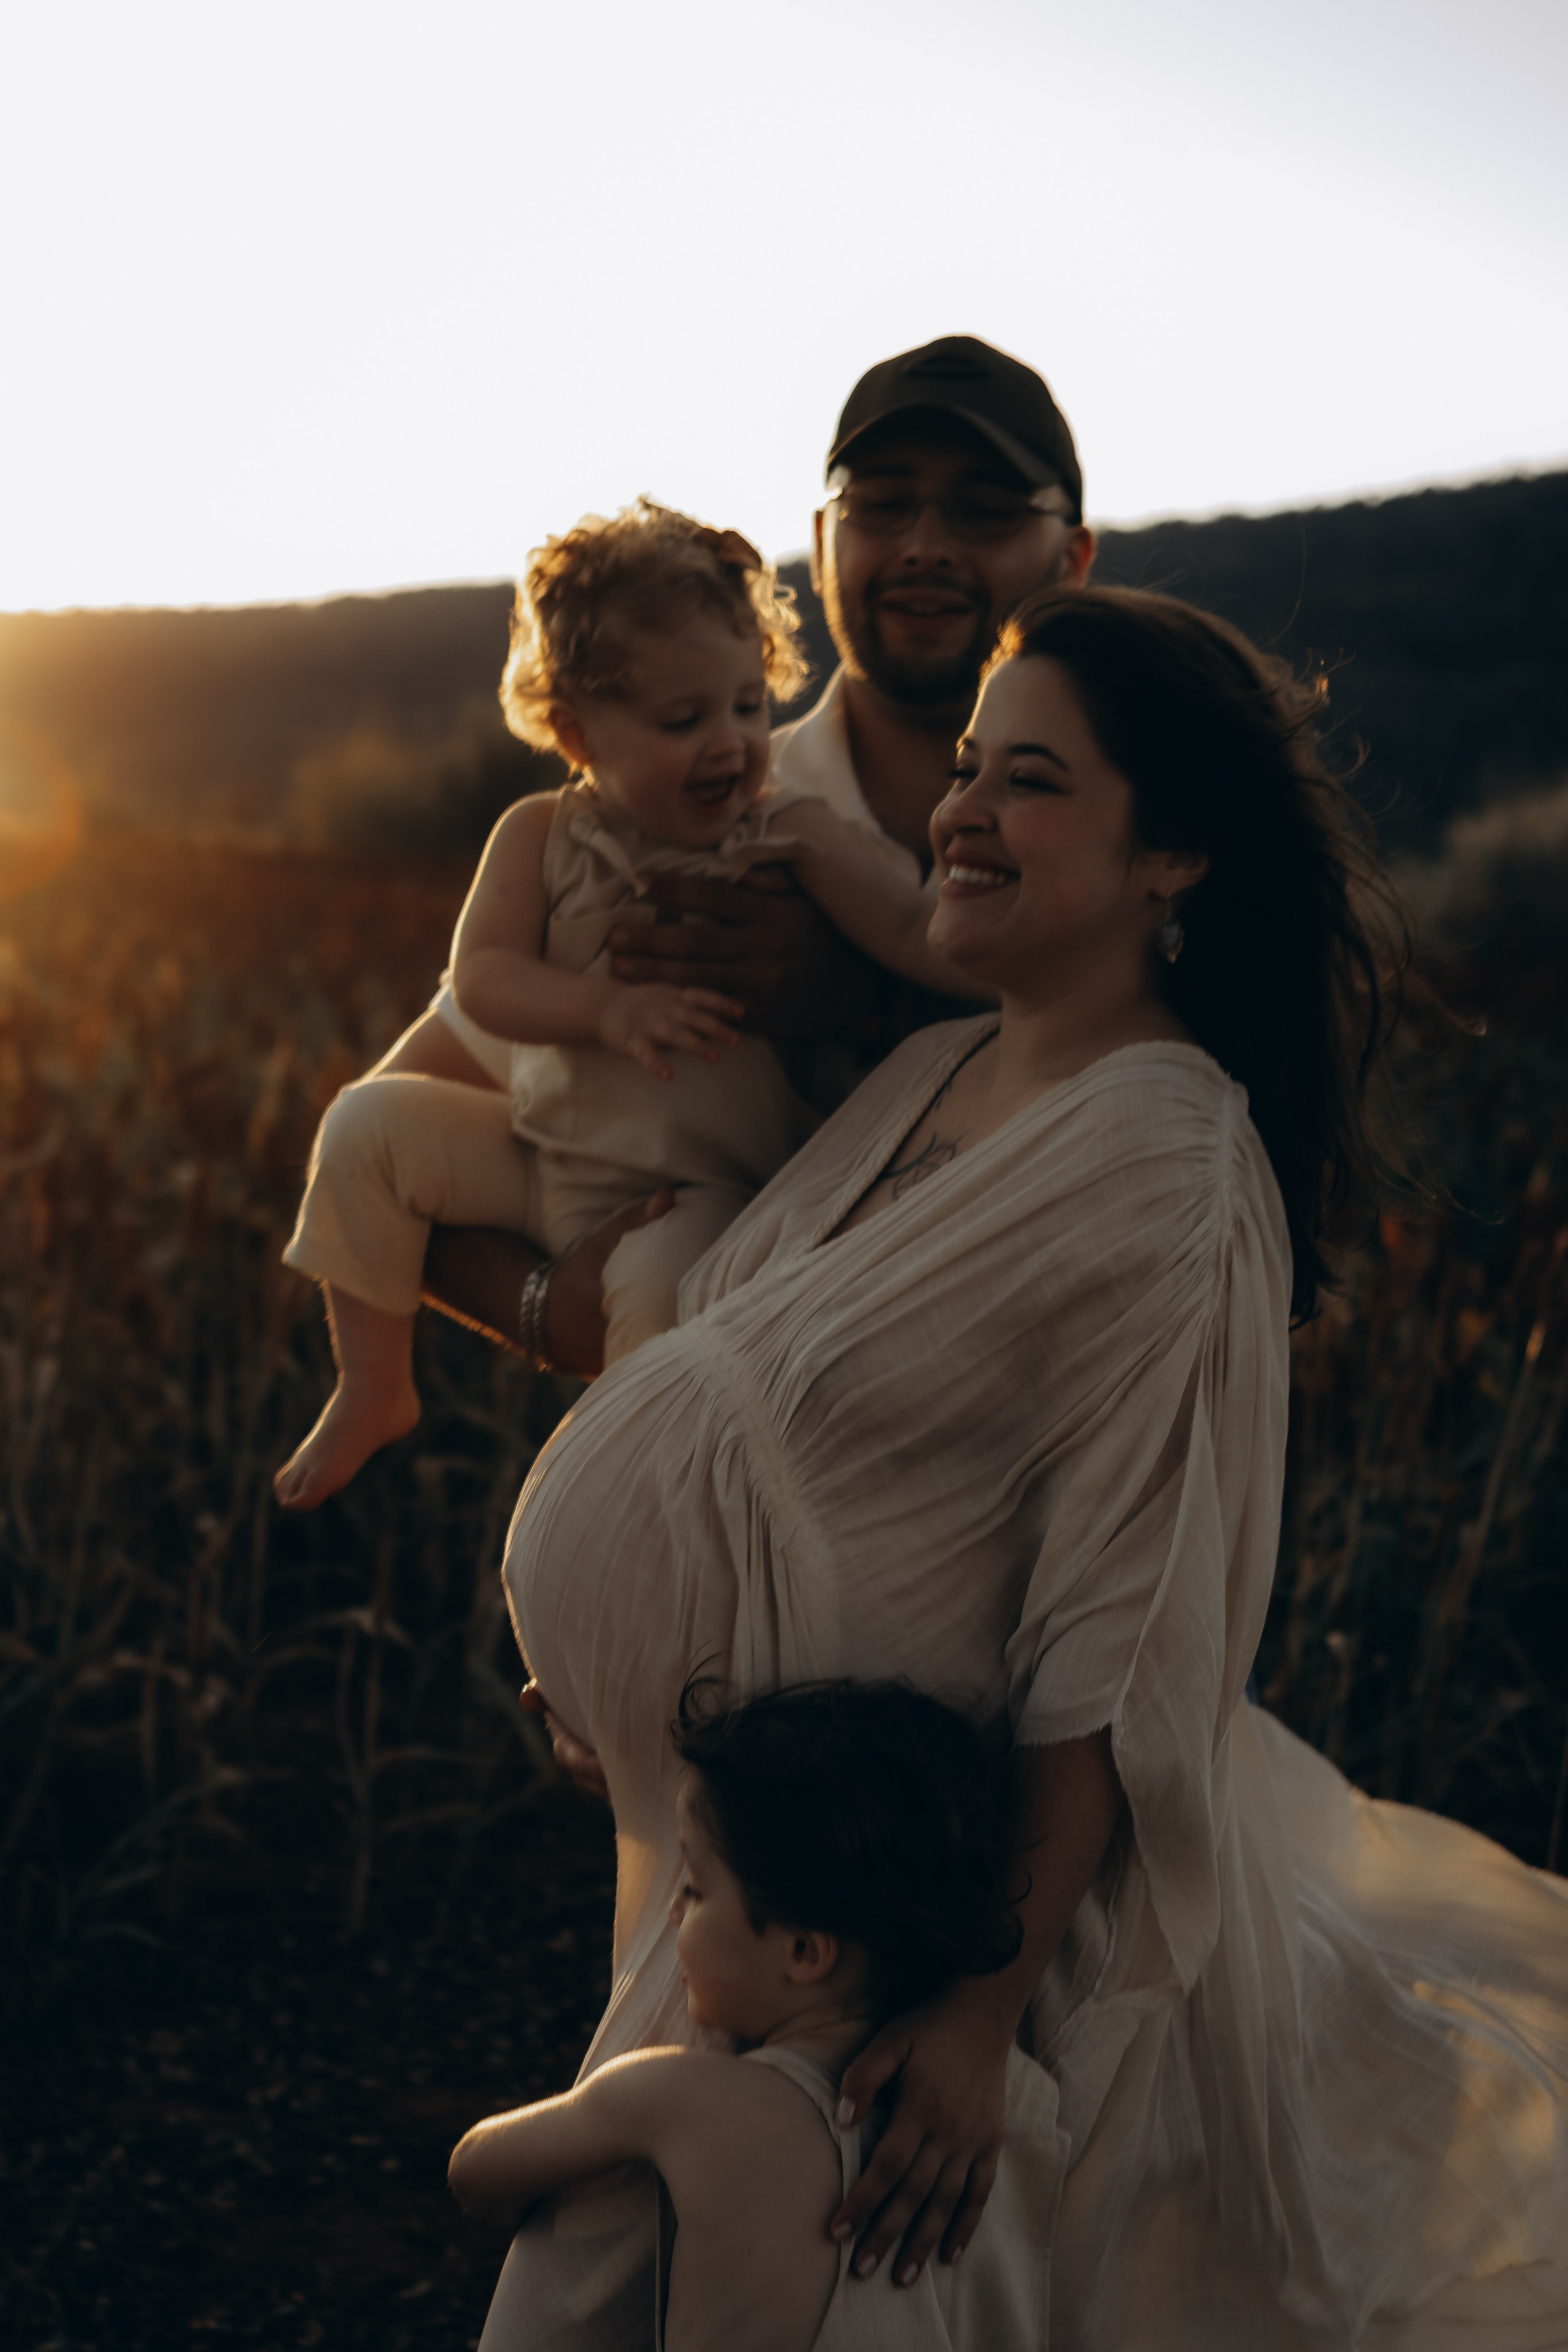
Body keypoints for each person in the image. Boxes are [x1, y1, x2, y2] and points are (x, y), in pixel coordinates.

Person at [489, 586, 1568, 2348]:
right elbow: (753, 1402)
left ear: (1177, 860)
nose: (962, 812)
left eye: (1036, 782)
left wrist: (982, 2014)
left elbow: (1119, 1631)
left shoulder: (1170, 1166)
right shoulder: (933, 1065)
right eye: (971, 767)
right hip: (751, 1872)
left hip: (898, 1948)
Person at [382, 337, 1095, 1376]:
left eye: (986, 509)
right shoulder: (679, 825)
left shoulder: (1140, 844)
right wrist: (541, 1307)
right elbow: (388, 1136)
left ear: (1073, 557)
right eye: (882, 503)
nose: (925, 544)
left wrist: (864, 1008)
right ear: (822, 537)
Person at [274, 502, 982, 1510]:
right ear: (575, 731)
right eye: (682, 720)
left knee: (659, 1304)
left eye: (748, 705)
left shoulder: (793, 833)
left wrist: (1037, 966)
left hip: (698, 1197)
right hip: (540, 1159)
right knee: (365, 1125)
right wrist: (603, 1010)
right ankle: (374, 1386)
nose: (731, 744)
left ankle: (638, 1519)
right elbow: (483, 979)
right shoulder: (537, 836)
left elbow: (918, 933)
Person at [452, 1680, 1062, 2351]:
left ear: (803, 1951)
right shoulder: (1009, 2121)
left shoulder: (685, 2100)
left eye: (693, 1888)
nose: (675, 1912)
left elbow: (475, 2172)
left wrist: (609, 2111)